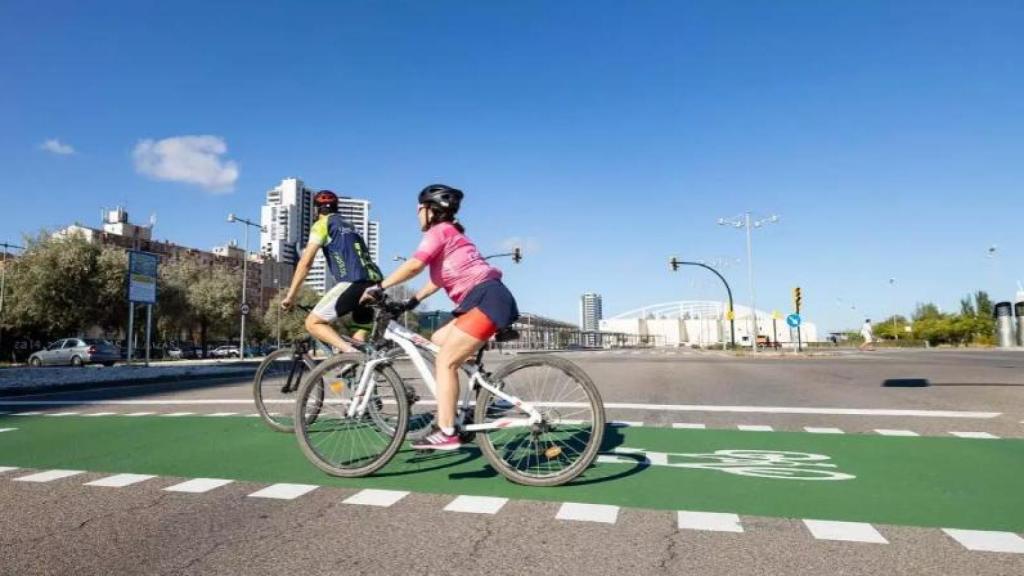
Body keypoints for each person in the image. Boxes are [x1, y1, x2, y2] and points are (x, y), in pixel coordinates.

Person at [362, 184, 519, 450]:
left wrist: (380, 287)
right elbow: (436, 281)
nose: (417, 215)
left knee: (446, 362)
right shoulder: (453, 236)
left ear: (429, 210)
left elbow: (414, 265)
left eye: (418, 210)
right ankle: (477, 391)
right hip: (487, 299)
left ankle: (446, 430)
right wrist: (411, 302)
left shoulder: (439, 232)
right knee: (437, 339)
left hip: (485, 300)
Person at [280, 190, 383, 353]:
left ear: (316, 210)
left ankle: (352, 356)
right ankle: (359, 369)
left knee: (313, 323)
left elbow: (305, 263)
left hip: (353, 282)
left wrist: (290, 296)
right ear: (336, 208)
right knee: (358, 336)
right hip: (374, 282)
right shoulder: (350, 226)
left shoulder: (322, 225)